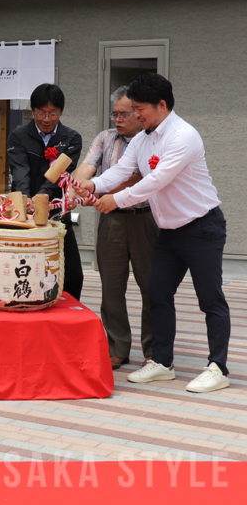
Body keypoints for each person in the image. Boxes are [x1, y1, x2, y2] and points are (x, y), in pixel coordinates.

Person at [79, 74, 231, 393]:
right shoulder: (143, 138)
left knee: (210, 298)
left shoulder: (183, 136)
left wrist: (115, 200)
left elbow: (155, 181)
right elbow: (121, 171)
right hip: (170, 232)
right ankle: (162, 362)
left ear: (161, 105)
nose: (135, 115)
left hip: (202, 227)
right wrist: (93, 185)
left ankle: (218, 366)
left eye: (139, 108)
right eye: (131, 108)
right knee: (157, 293)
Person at [73, 86, 156, 370]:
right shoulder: (105, 138)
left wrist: (95, 191)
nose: (118, 119)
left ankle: (153, 351)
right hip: (112, 219)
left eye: (124, 113)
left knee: (151, 286)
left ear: (138, 112)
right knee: (111, 286)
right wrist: (77, 187)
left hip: (146, 218)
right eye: (115, 113)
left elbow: (135, 178)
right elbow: (87, 167)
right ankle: (117, 347)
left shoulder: (151, 140)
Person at [7, 83, 84, 300]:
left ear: (61, 111)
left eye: (52, 113)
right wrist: (27, 201)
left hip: (57, 213)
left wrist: (40, 197)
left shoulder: (72, 138)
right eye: (41, 113)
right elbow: (20, 172)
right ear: (32, 110)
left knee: (73, 275)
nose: (47, 119)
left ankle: (68, 320)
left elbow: (60, 173)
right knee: (27, 272)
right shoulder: (18, 136)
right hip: (24, 214)